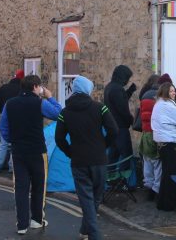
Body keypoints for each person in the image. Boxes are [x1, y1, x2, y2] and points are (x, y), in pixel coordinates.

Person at [55, 76, 118, 240]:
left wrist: (70, 152)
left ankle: (86, 230)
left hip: (79, 161)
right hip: (99, 160)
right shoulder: (100, 108)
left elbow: (59, 139)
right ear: (88, 90)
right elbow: (114, 130)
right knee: (95, 198)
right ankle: (95, 235)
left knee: (87, 200)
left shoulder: (65, 112)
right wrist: (104, 146)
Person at [0, 74, 61, 235]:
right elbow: (58, 114)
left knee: (20, 187)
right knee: (39, 186)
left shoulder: (9, 104)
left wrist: (13, 140)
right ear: (35, 87)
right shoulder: (40, 103)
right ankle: (36, 220)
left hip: (18, 151)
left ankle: (21, 224)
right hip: (37, 150)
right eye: (40, 86)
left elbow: (3, 128)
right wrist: (50, 97)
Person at [151, 82, 176, 211]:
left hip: (162, 144)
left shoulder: (159, 104)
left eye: (174, 91)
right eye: (171, 91)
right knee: (173, 175)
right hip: (169, 144)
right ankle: (170, 204)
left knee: (166, 174)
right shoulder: (166, 105)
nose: (174, 93)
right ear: (165, 92)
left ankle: (162, 203)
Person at [138, 73, 167, 200]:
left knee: (147, 161)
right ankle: (155, 190)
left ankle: (148, 187)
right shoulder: (159, 98)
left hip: (145, 133)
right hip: (155, 133)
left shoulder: (144, 95)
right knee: (157, 163)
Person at [103, 65, 137, 165]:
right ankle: (125, 179)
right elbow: (123, 110)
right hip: (120, 129)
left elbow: (119, 101)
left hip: (111, 128)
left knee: (112, 157)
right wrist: (132, 121)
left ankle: (110, 179)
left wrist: (130, 91)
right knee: (126, 157)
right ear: (123, 77)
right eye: (127, 78)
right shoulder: (118, 89)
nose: (127, 81)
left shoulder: (109, 87)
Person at [0, 69, 24, 172]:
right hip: (18, 118)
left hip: (4, 116)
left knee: (3, 142)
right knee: (14, 143)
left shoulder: (4, 88)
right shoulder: (22, 89)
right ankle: (11, 167)